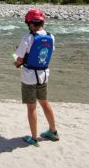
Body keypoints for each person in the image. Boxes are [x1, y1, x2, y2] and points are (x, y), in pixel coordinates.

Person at [14, 8, 59, 146]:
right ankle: (53, 131)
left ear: (31, 24)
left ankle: (33, 138)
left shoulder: (28, 38)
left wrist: (15, 62)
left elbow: (19, 60)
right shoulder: (51, 37)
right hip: (43, 75)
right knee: (44, 102)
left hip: (29, 77)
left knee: (31, 107)